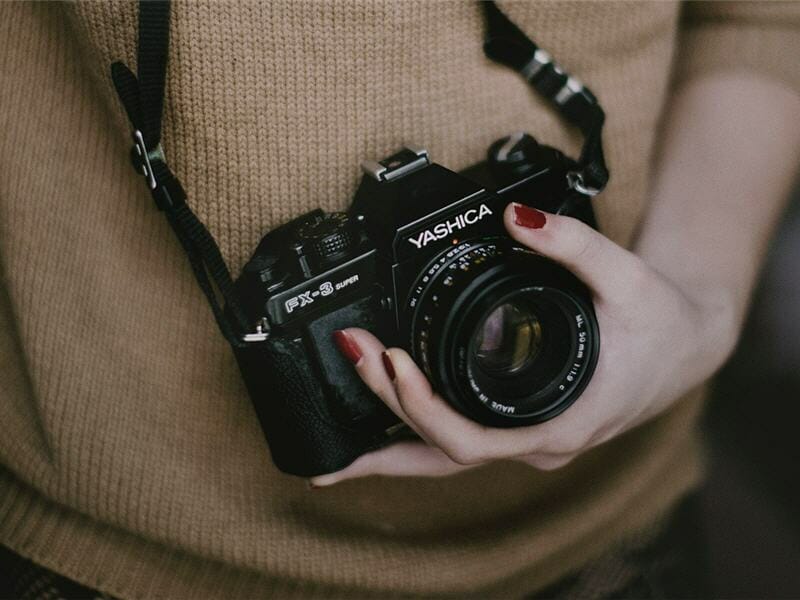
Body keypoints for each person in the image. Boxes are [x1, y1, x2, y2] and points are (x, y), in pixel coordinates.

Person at [0, 1, 798, 598]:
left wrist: (701, 306)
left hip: (608, 523)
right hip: (129, 557)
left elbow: (760, 17)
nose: (498, 336)